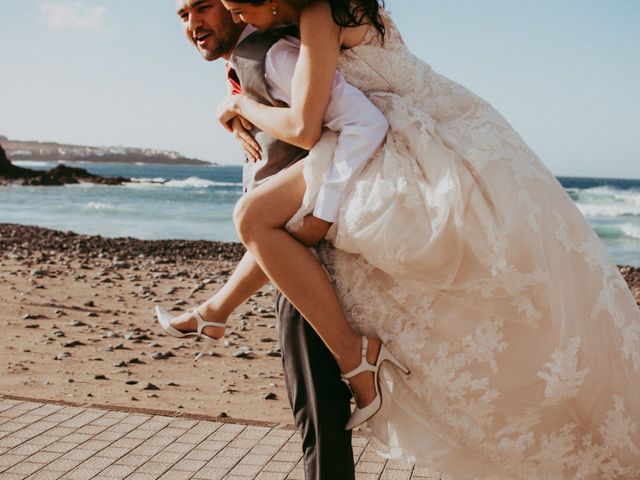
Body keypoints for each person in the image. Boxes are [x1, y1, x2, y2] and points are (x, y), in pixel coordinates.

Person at [206, 0, 640, 478]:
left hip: (396, 143)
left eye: (241, 7)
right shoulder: (342, 9)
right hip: (454, 131)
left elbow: (309, 126)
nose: (241, 18)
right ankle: (217, 313)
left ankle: (348, 359)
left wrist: (238, 104)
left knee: (260, 221)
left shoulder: (316, 14)